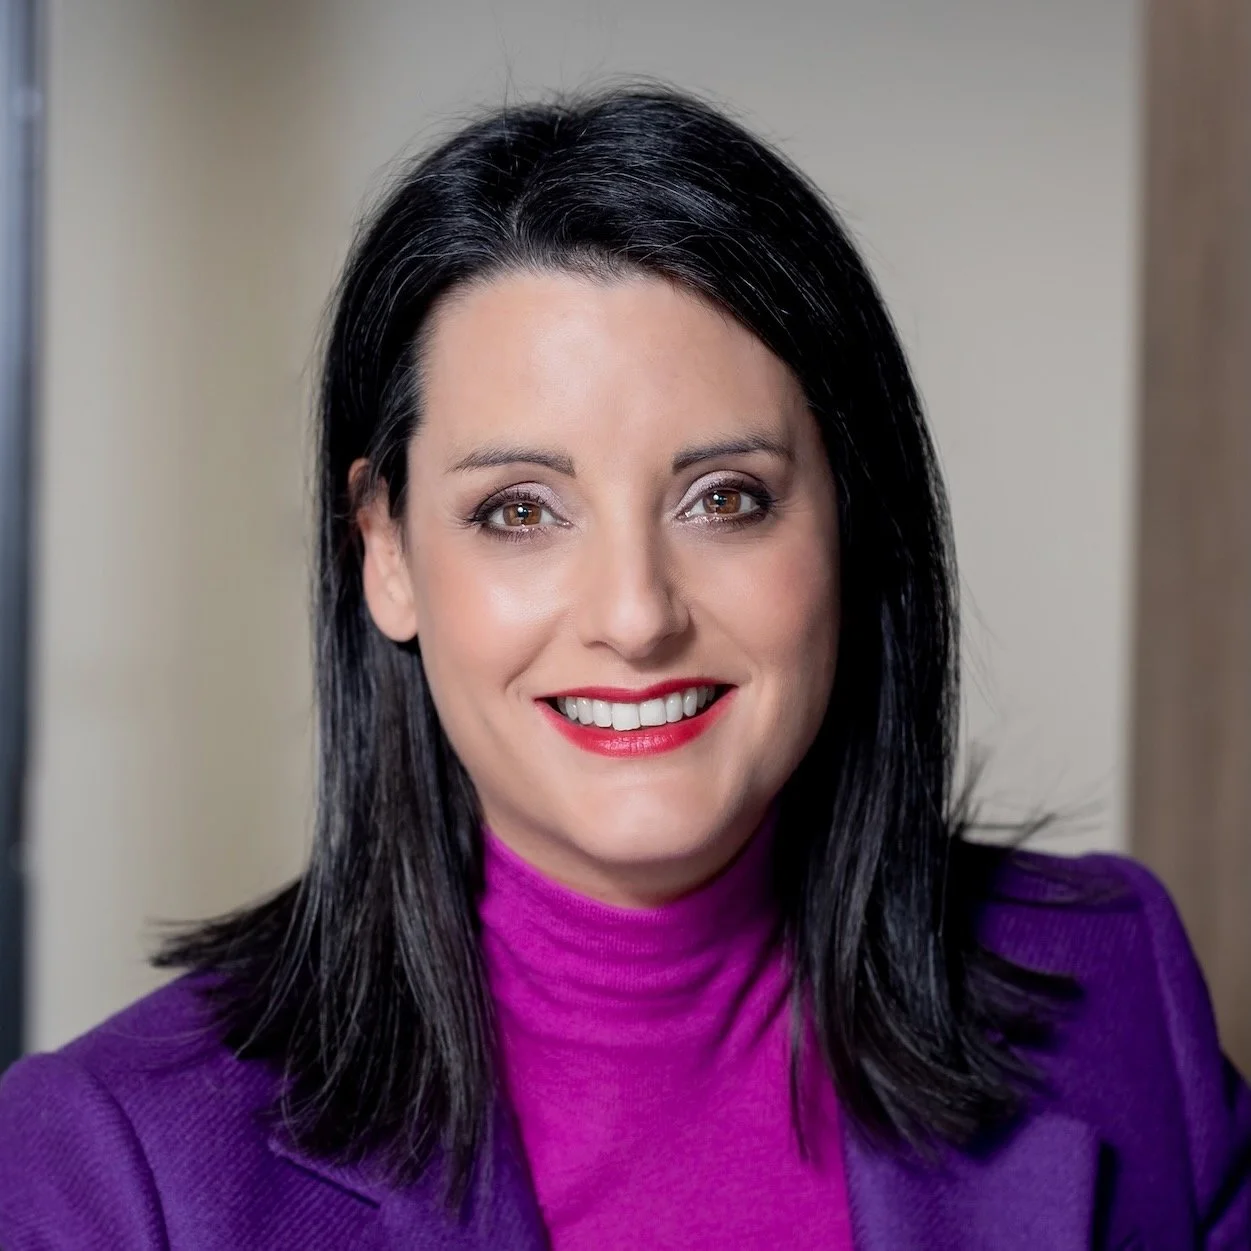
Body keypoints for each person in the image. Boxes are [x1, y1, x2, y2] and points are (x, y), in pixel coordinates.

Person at [0, 84, 1247, 1251]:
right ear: (385, 551)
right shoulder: (112, 1166)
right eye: (521, 511)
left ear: (852, 519)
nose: (637, 615)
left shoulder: (1121, 990)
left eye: (725, 497)